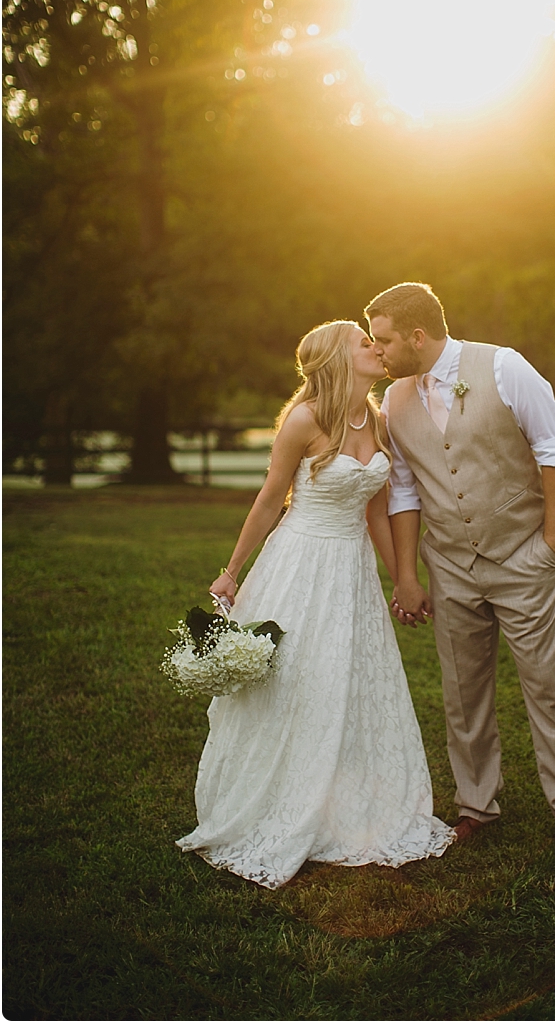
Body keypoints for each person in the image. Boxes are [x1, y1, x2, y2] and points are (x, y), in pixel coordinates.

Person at [176, 320, 455, 888]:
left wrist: (402, 578)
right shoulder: (305, 420)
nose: (376, 349)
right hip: (301, 561)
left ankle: (348, 802)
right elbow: (270, 498)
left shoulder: (374, 419)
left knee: (348, 682)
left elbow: (377, 511)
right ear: (337, 359)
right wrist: (232, 572)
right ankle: (280, 800)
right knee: (297, 682)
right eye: (363, 343)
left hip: (351, 570)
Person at [364, 283, 555, 864]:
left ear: (418, 336)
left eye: (386, 339)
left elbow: (554, 449)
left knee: (549, 690)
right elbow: (402, 490)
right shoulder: (394, 401)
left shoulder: (505, 367)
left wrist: (551, 543)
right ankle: (476, 805)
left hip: (524, 559)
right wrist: (407, 575)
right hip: (449, 565)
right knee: (462, 695)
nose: (379, 352)